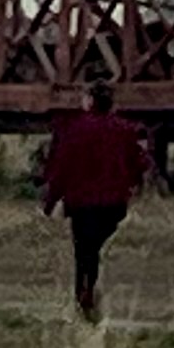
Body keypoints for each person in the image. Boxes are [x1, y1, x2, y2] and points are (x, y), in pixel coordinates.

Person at [37, 81, 155, 327]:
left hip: (82, 200)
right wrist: (132, 185)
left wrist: (50, 201)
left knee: (84, 250)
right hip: (114, 202)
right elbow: (141, 163)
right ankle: (88, 294)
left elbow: (61, 167)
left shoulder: (73, 129)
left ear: (89, 101)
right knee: (94, 248)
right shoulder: (125, 129)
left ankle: (84, 298)